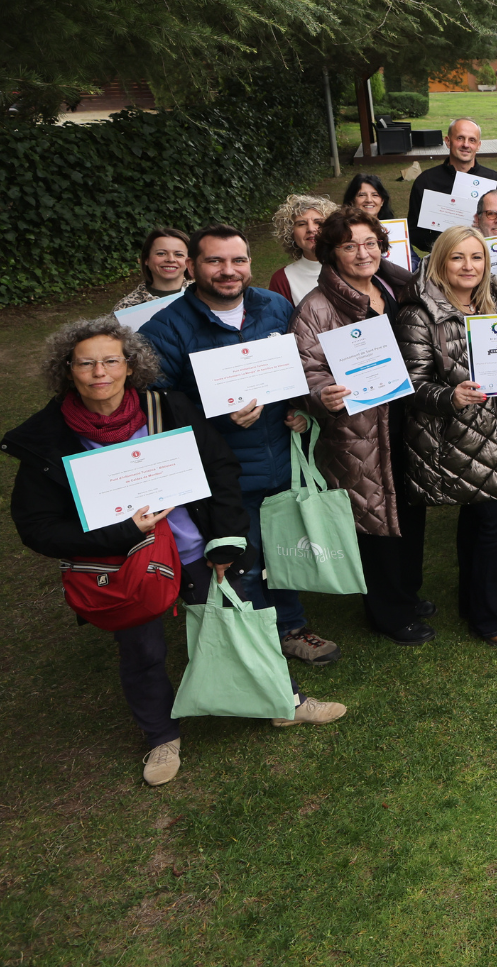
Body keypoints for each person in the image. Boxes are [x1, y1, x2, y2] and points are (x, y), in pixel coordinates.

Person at [2, 318, 344, 787]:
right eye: (86, 363)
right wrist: (119, 533)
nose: (100, 371)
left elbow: (222, 470)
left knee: (241, 624)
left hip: (196, 549)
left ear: (130, 365)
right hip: (124, 563)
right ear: (68, 370)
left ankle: (284, 701)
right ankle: (162, 734)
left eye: (110, 360)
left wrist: (226, 539)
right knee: (142, 648)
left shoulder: (168, 407)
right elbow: (36, 527)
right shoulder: (48, 438)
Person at [141, 225, 331, 664]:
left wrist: (301, 408)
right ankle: (258, 637)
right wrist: (213, 416)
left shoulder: (275, 306)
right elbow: (156, 408)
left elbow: (301, 366)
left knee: (284, 546)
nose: (228, 271)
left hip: (281, 455)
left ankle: (292, 626)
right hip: (223, 470)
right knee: (241, 555)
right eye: (214, 261)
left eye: (238, 260)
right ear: (192, 267)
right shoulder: (164, 329)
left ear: (249, 263)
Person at [288, 208, 429, 644]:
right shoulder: (316, 307)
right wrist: (320, 396)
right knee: (375, 519)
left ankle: (407, 593)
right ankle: (387, 612)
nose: (362, 253)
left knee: (410, 509)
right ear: (331, 253)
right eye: (349, 246)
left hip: (406, 417)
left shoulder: (394, 287)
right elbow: (305, 369)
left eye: (370, 243)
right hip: (359, 430)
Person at [396, 225, 497, 648]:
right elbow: (413, 385)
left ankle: (479, 599)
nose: (468, 266)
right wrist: (451, 396)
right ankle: (490, 617)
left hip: (485, 427)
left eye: (476, 257)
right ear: (439, 262)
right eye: (457, 257)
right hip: (447, 434)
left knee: (479, 515)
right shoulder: (419, 313)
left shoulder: (484, 302)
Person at [406, 118, 497, 253]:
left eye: (472, 140)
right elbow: (413, 231)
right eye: (460, 138)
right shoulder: (426, 181)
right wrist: (444, 244)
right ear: (448, 141)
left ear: (479, 145)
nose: (466, 145)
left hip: (490, 257)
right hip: (444, 260)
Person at [266, 194, 334, 304]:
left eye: (318, 223)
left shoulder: (352, 265)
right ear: (290, 233)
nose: (311, 229)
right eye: (301, 224)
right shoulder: (282, 280)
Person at [116, 227, 191, 309]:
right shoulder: (125, 308)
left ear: (189, 261)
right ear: (146, 259)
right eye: (161, 253)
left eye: (179, 254)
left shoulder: (203, 295)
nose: (170, 259)